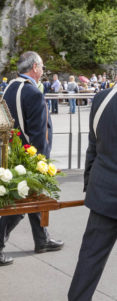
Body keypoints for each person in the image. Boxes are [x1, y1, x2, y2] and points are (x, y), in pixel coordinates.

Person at [0, 51, 63, 266]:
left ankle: (42, 239)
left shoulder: (9, 87)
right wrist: (42, 162)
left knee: (31, 197)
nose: (43, 70)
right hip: (30, 154)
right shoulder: (33, 93)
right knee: (24, 200)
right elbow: (38, 133)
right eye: (42, 66)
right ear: (35, 67)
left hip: (13, 151)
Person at [68, 84, 117, 300]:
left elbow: (93, 147)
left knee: (90, 257)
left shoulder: (102, 98)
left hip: (104, 189)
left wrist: (89, 185)